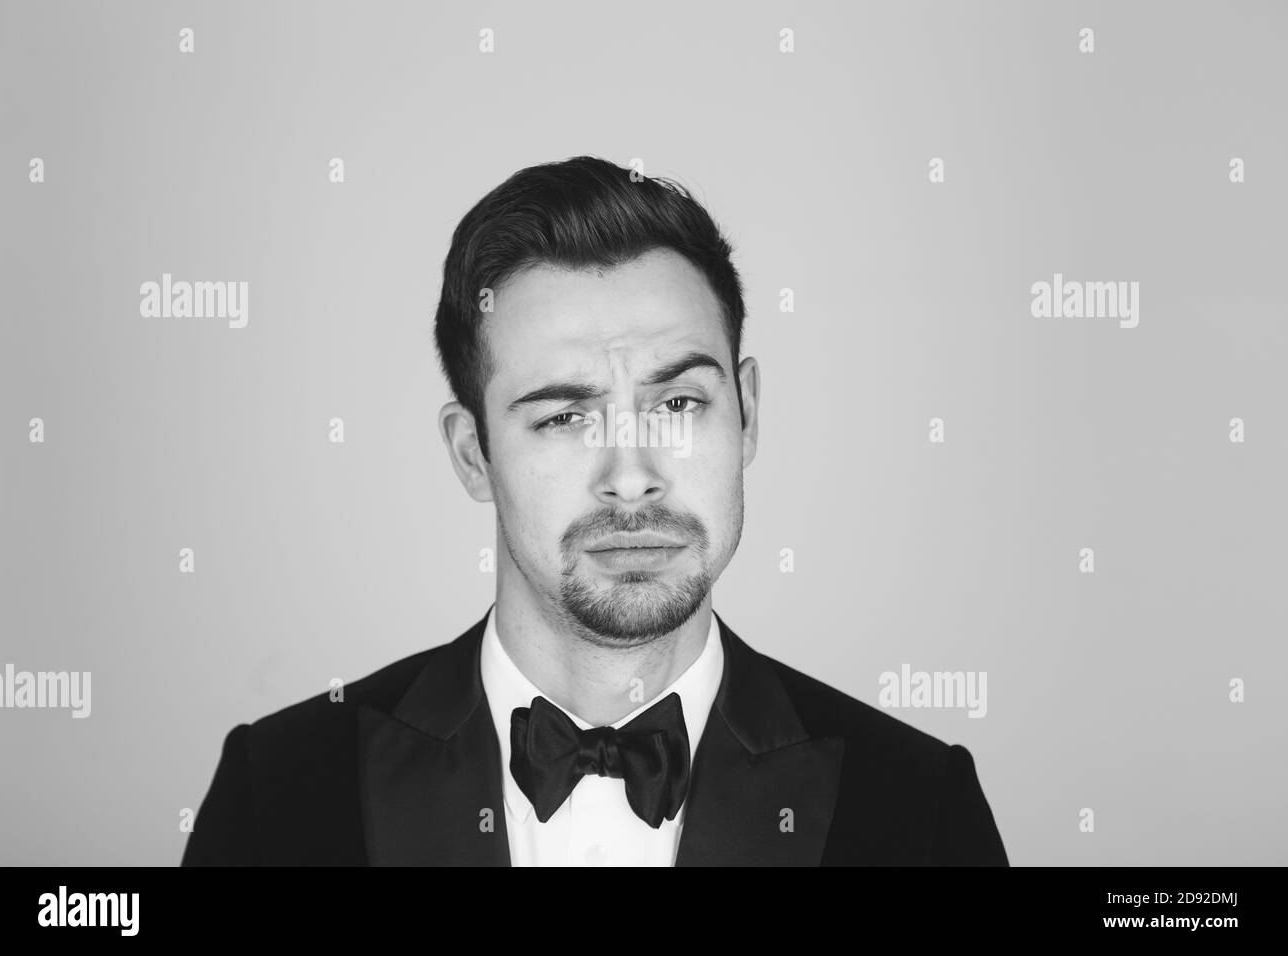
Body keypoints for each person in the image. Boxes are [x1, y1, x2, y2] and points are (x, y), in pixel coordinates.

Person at [182, 156, 1008, 866]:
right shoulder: (279, 792)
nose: (632, 477)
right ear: (473, 453)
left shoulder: (918, 809)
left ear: (747, 414)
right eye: (564, 417)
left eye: (680, 404)